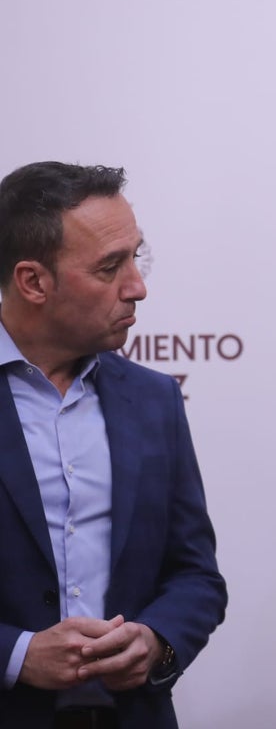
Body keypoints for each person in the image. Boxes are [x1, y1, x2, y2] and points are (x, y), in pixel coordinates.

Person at [0, 162, 227, 729]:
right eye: (110, 267)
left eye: (136, 257)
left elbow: (196, 574)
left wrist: (157, 642)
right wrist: (17, 654)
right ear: (33, 282)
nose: (138, 287)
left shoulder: (154, 401)